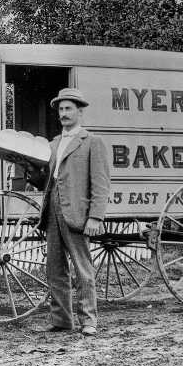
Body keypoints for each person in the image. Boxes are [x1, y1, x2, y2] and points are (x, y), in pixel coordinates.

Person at [23, 88, 110, 337]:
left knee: (83, 269)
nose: (63, 113)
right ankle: (61, 320)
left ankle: (89, 321)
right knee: (54, 269)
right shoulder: (52, 144)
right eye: (60, 109)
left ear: (80, 112)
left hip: (78, 214)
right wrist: (30, 170)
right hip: (52, 211)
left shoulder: (92, 142)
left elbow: (101, 183)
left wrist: (96, 216)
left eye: (68, 108)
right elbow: (46, 183)